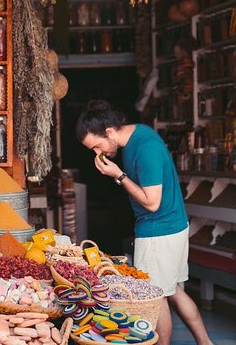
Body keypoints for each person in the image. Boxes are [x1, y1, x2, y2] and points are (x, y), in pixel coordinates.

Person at [76, 100, 212, 345]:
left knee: (154, 298)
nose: (99, 153)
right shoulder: (137, 134)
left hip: (159, 230)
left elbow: (151, 202)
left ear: (108, 132)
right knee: (172, 291)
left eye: (97, 146)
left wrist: (118, 175)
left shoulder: (145, 148)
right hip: (172, 226)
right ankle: (206, 343)